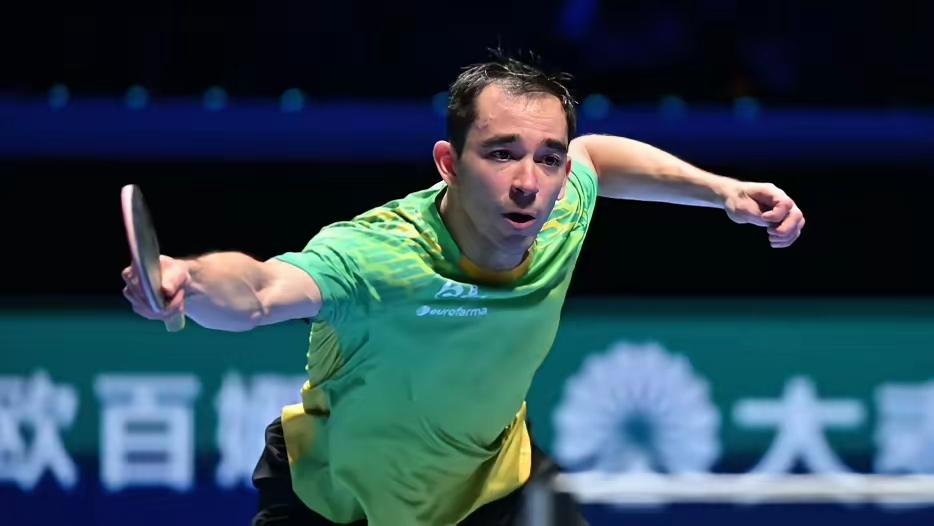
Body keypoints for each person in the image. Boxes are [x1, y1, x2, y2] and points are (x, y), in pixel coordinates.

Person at [121, 52, 805, 526]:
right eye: (501, 153)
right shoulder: (377, 256)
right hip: (339, 505)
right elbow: (262, 290)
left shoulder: (559, 207)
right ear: (449, 162)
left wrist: (721, 191)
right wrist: (188, 279)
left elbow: (595, 155)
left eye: (546, 158)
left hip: (494, 492)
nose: (528, 181)